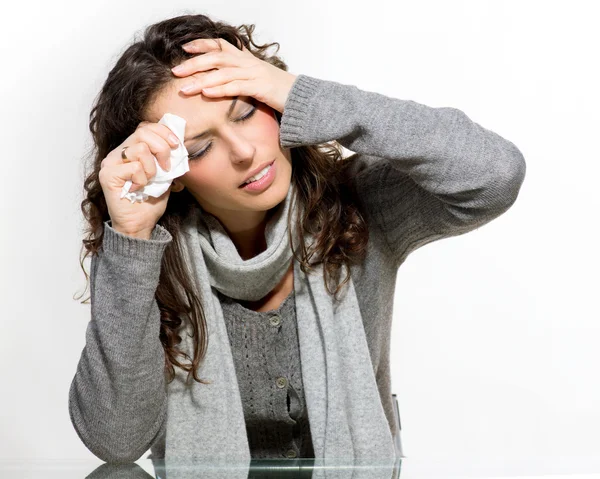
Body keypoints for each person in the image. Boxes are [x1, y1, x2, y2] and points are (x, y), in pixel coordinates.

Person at [69, 13, 526, 466]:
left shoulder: (360, 206)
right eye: (200, 148)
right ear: (175, 173)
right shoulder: (151, 256)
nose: (245, 152)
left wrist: (298, 93)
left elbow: (494, 174)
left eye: (247, 112)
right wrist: (131, 237)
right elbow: (116, 443)